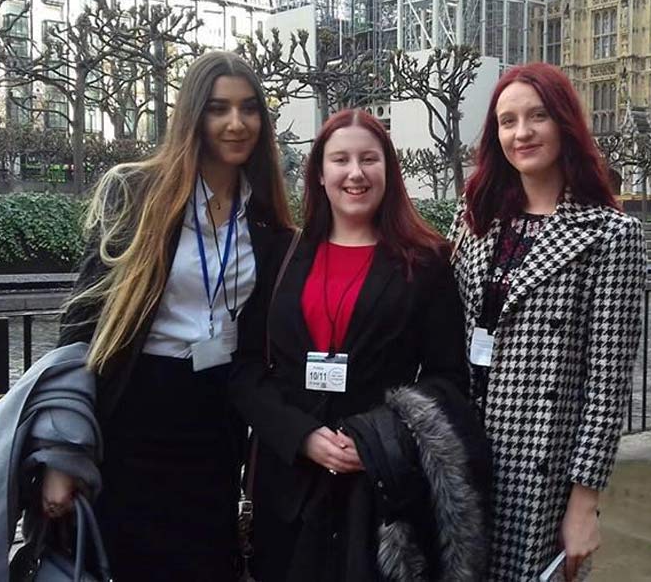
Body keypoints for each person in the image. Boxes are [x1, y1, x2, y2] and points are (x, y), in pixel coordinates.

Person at [51, 51, 295, 581]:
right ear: (192, 116)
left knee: (208, 562)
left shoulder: (266, 218)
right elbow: (80, 331)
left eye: (250, 108)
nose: (236, 123)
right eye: (218, 108)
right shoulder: (136, 193)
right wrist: (60, 455)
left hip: (216, 418)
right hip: (135, 414)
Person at [239, 109, 480, 582]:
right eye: (340, 159)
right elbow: (246, 369)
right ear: (320, 174)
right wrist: (301, 436)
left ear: (388, 172)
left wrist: (373, 437)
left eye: (369, 159)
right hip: (287, 488)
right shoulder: (281, 255)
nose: (355, 173)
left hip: (378, 493)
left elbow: (447, 380)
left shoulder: (425, 262)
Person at [449, 62, 647, 581]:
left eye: (537, 116)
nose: (522, 133)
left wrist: (585, 504)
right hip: (463, 452)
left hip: (542, 466)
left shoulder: (610, 235)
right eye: (507, 121)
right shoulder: (474, 220)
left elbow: (607, 385)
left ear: (564, 123)